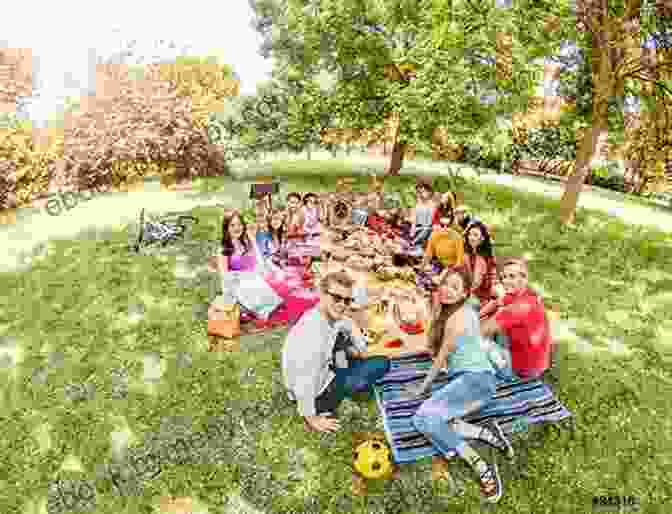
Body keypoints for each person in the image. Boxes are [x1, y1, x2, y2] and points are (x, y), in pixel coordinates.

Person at [402, 267, 514, 504]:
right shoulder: (463, 308)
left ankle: (478, 462)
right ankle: (483, 432)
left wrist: (422, 389)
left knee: (423, 418)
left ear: (464, 294)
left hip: (476, 381)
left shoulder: (455, 319)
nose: (447, 290)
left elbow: (441, 357)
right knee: (442, 417)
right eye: (445, 284)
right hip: (479, 380)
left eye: (455, 287)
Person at [282, 271, 391, 433]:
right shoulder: (312, 336)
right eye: (337, 298)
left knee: (342, 339)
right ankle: (348, 384)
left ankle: (346, 364)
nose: (342, 304)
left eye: (347, 300)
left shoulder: (323, 315)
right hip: (318, 393)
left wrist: (360, 346)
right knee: (381, 363)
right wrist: (311, 418)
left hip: (326, 370)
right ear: (322, 294)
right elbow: (304, 381)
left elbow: (346, 322)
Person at [480, 258, 553, 379]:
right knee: (494, 319)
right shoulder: (526, 293)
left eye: (511, 276)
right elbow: (497, 302)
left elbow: (479, 331)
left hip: (520, 372)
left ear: (524, 278)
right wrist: (478, 315)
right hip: (535, 364)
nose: (505, 281)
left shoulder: (518, 308)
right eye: (503, 277)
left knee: (476, 340)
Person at [463, 221, 498, 318]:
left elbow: (477, 283)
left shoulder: (484, 258)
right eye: (469, 234)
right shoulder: (466, 254)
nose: (471, 237)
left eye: (475, 235)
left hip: (479, 296)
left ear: (482, 239)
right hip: (467, 293)